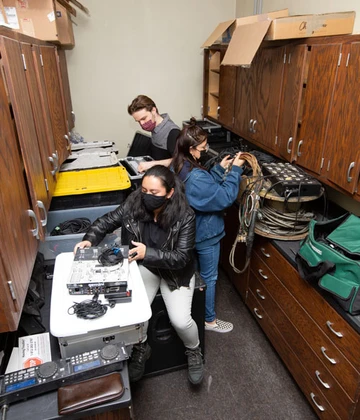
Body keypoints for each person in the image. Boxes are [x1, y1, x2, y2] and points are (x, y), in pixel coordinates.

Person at [74, 165, 204, 385]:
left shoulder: (185, 216)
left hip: (175, 272)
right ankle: (141, 347)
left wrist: (148, 252)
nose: (147, 196)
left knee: (180, 321)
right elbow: (106, 221)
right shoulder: (134, 203)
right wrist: (90, 238)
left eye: (154, 193)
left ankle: (194, 350)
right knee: (135, 316)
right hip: (145, 266)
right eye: (144, 190)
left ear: (170, 193)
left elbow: (181, 257)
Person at [172, 119, 245, 333]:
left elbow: (201, 192)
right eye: (203, 147)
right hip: (205, 233)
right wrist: (235, 172)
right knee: (209, 277)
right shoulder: (195, 177)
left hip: (189, 231)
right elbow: (222, 198)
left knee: (194, 273)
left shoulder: (178, 164)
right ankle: (209, 320)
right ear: (191, 148)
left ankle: (194, 311)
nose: (206, 149)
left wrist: (217, 170)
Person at [128, 95, 180, 172]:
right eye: (138, 121)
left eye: (143, 118)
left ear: (153, 110)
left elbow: (180, 161)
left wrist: (152, 164)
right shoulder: (155, 127)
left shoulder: (172, 132)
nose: (142, 123)